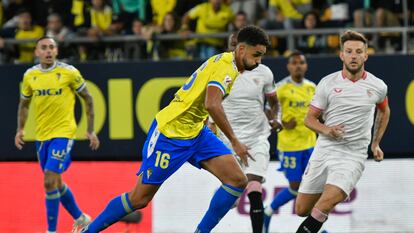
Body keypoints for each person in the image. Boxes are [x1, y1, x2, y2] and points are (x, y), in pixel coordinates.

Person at [77, 25, 271, 233]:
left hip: (196, 132)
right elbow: (212, 104)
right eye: (256, 55)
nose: (258, 61)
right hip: (170, 134)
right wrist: (234, 141)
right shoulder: (227, 68)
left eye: (261, 56)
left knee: (237, 180)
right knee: (139, 199)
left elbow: (200, 99)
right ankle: (88, 231)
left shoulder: (225, 61)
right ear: (241, 49)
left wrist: (207, 124)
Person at [294, 30, 390, 233]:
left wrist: (376, 143)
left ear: (366, 55)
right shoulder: (327, 83)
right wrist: (327, 130)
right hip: (325, 149)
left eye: (358, 51)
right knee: (302, 209)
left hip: (352, 154)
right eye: (349, 51)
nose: (353, 56)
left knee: (323, 206)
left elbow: (384, 111)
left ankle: (336, 192)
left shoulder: (378, 86)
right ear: (341, 55)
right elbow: (309, 119)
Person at [14, 36, 100, 233]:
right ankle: (81, 218)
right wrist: (20, 129)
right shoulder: (30, 76)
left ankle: (51, 230)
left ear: (57, 51)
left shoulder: (69, 72)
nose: (48, 51)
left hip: (64, 132)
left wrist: (90, 129)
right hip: (42, 136)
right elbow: (24, 104)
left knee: (48, 180)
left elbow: (88, 98)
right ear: (36, 52)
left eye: (51, 47)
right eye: (43, 48)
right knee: (55, 182)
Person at [208, 32, 280, 233]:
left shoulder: (264, 72)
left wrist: (276, 119)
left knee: (254, 185)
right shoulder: (219, 72)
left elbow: (274, 103)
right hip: (229, 140)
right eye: (232, 45)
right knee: (231, 196)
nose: (235, 49)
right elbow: (212, 107)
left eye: (238, 45)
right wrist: (212, 130)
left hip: (257, 138)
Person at [262, 51, 317, 233]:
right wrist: (281, 122)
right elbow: (268, 108)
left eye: (301, 62)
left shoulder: (312, 87)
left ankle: (314, 226)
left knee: (314, 187)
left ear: (306, 65)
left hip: (311, 144)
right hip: (289, 146)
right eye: (294, 63)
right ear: (289, 66)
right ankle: (268, 211)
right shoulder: (281, 87)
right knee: (295, 187)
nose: (298, 66)